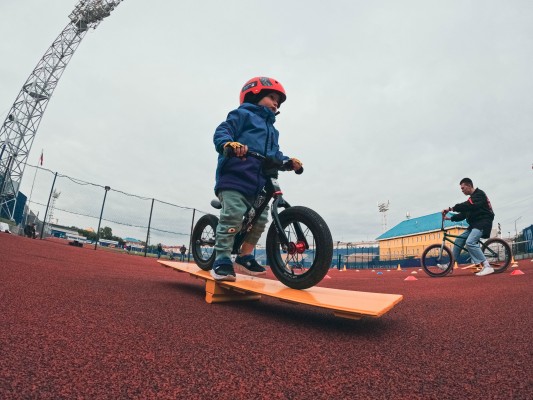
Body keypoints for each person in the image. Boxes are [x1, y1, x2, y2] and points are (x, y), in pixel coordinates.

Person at [210, 76, 302, 282]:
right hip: (235, 178)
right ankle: (222, 259)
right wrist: (228, 144)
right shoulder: (242, 114)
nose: (275, 102)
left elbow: (275, 154)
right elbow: (223, 131)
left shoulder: (273, 130)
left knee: (260, 220)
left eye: (278, 100)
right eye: (271, 97)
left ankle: (244, 256)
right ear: (254, 95)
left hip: (260, 184)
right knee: (233, 215)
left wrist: (287, 162)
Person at [442, 178, 495, 276]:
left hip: (483, 222)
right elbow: (463, 214)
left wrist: (450, 208)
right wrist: (449, 218)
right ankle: (450, 266)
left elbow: (466, 205)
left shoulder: (479, 195)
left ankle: (487, 266)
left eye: (463, 188)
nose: (462, 190)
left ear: (469, 186)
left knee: (470, 242)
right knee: (459, 240)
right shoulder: (471, 200)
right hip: (475, 224)